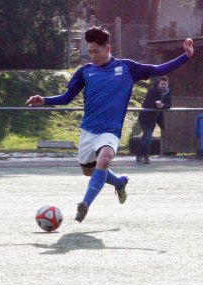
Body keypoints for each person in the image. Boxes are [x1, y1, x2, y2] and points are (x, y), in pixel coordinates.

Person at [26, 26, 193, 223]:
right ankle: (119, 183)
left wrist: (186, 56)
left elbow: (157, 70)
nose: (93, 55)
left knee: (103, 161)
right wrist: (45, 100)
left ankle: (84, 204)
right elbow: (67, 97)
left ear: (108, 48)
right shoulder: (85, 72)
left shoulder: (127, 68)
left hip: (110, 131)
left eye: (96, 51)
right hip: (88, 131)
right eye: (90, 52)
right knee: (89, 171)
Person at [136, 76, 172, 164]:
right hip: (145, 118)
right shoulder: (152, 91)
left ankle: (139, 156)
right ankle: (146, 156)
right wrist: (155, 104)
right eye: (162, 84)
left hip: (154, 119)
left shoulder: (168, 92)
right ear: (158, 84)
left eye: (165, 84)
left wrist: (163, 105)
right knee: (148, 137)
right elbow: (146, 104)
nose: (163, 85)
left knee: (146, 137)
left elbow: (169, 104)